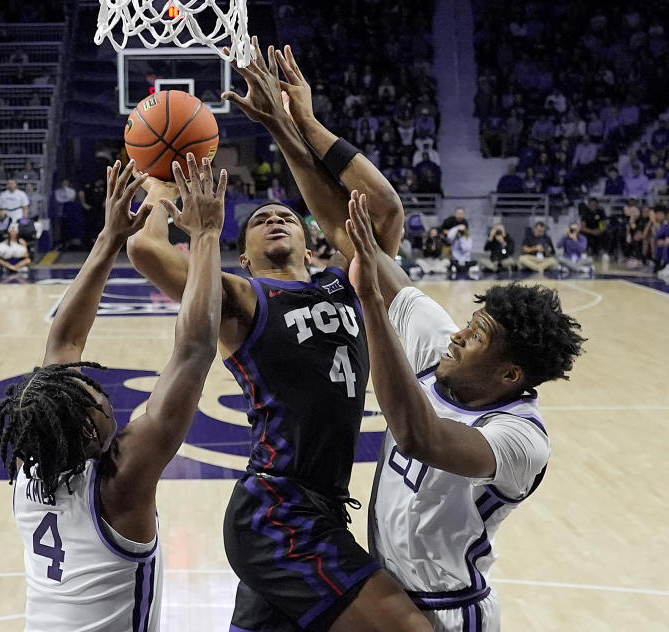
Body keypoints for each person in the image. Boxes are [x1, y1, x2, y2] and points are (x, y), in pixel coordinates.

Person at [130, 41, 429, 632]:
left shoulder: (351, 286)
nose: (273, 217)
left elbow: (384, 211)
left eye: (285, 215)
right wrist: (162, 186)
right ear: (242, 254)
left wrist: (301, 124)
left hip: (322, 507)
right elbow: (146, 248)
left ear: (314, 242)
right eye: (260, 219)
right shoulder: (242, 298)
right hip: (277, 512)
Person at [0, 158, 224, 630]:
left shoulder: (31, 466)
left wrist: (114, 234)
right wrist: (206, 235)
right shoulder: (119, 484)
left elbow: (63, 343)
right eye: (93, 393)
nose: (100, 389)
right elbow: (195, 348)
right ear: (90, 426)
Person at [339, 195, 584, 632]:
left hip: (449, 611)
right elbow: (360, 247)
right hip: (381, 592)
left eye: (478, 335)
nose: (459, 333)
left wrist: (372, 306)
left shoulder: (520, 439)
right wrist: (292, 132)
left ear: (509, 373)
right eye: (472, 319)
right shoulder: (441, 346)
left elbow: (421, 437)